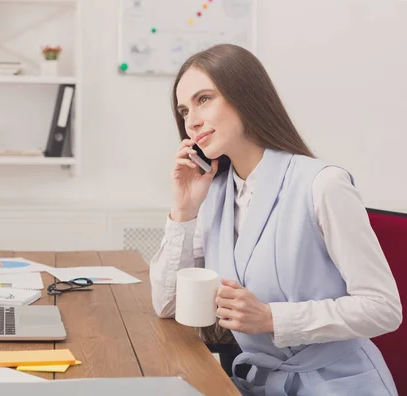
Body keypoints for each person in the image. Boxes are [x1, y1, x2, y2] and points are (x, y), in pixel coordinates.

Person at [149, 43, 402, 395]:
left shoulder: (323, 184)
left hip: (340, 384)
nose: (191, 120)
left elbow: (384, 309)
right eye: (183, 109)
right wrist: (184, 209)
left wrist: (272, 318)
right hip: (259, 385)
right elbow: (167, 303)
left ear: (244, 96)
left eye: (204, 99)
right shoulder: (214, 195)